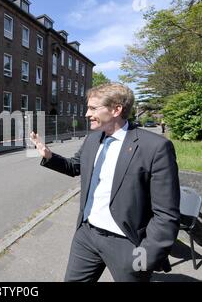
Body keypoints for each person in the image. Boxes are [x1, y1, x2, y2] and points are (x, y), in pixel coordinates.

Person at [30, 83, 180, 282]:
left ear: (116, 109)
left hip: (127, 243)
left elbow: (166, 213)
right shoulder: (92, 139)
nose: (86, 114)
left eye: (93, 108)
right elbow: (75, 166)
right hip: (87, 235)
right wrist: (49, 156)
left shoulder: (155, 147)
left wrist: (146, 256)